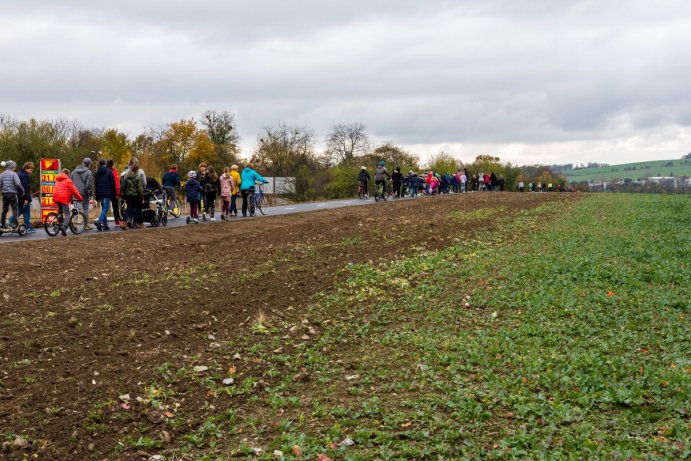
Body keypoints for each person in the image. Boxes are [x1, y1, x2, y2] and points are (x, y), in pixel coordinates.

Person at [53, 168, 83, 236]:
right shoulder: (68, 181)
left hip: (56, 198)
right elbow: (74, 190)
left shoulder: (57, 180)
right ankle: (64, 227)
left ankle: (57, 226)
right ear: (68, 174)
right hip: (63, 199)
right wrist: (80, 198)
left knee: (60, 213)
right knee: (67, 214)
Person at [0, 161, 24, 232]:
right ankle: (16, 224)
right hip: (12, 194)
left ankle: (3, 223)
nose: (15, 168)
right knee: (15, 209)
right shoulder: (14, 174)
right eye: (14, 167)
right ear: (11, 167)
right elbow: (18, 183)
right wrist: (22, 190)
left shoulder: (2, 174)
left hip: (4, 194)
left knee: (5, 209)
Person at [71, 157, 94, 229]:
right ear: (89, 164)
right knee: (85, 208)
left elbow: (70, 181)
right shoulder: (89, 172)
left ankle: (73, 222)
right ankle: (86, 224)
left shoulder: (74, 172)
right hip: (84, 192)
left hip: (75, 192)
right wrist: (90, 193)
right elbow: (89, 185)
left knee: (77, 207)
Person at [94, 159, 115, 231]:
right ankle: (99, 221)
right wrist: (114, 194)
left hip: (100, 193)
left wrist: (97, 196)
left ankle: (105, 225)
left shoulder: (97, 173)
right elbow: (112, 184)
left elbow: (96, 185)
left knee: (104, 208)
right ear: (105, 163)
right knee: (106, 208)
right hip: (107, 192)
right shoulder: (109, 172)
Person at [14, 162, 35, 232]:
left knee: (25, 211)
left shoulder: (18, 174)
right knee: (21, 210)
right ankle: (10, 221)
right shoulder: (26, 176)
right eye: (30, 170)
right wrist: (26, 198)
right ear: (26, 168)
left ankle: (27, 225)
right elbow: (25, 188)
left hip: (17, 195)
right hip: (24, 196)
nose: (31, 172)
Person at [121, 164, 144, 229]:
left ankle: (125, 223)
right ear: (137, 170)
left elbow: (123, 186)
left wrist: (123, 194)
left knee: (129, 209)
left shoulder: (126, 176)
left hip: (128, 195)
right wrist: (141, 197)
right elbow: (140, 189)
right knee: (135, 209)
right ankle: (130, 223)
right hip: (135, 195)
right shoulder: (137, 177)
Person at [107, 159, 122, 226]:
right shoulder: (113, 172)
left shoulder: (106, 171)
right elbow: (116, 184)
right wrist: (118, 193)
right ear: (113, 165)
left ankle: (102, 221)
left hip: (107, 191)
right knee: (115, 207)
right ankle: (117, 220)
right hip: (114, 192)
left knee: (105, 207)